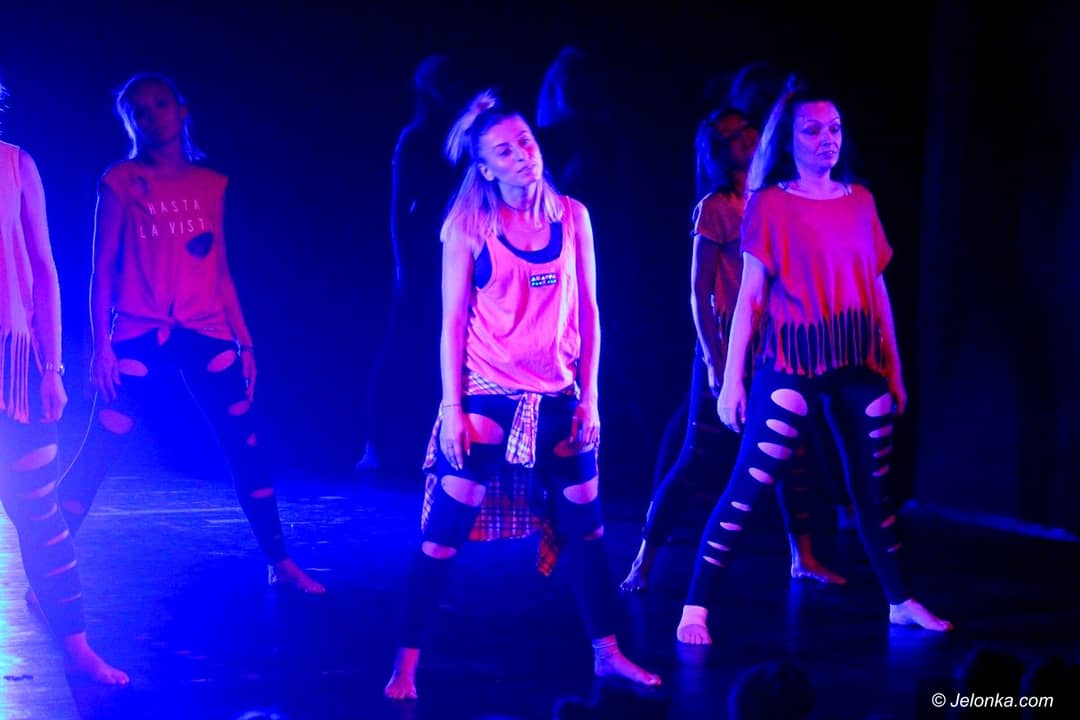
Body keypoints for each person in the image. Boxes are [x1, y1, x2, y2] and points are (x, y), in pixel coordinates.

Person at [384, 91, 660, 700]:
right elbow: (451, 323)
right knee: (443, 531)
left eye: (526, 143)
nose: (522, 155)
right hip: (488, 390)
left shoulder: (573, 217)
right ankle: (404, 665)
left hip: (559, 391)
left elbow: (590, 312)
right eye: (505, 151)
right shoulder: (469, 227)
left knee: (588, 529)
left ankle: (608, 654)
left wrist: (590, 398)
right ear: (485, 168)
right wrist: (452, 408)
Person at [676, 79, 952, 645]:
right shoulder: (770, 203)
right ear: (788, 139)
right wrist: (732, 381)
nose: (827, 139)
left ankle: (900, 601)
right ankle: (695, 607)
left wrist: (895, 369)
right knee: (749, 484)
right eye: (812, 129)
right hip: (792, 358)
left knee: (874, 494)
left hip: (856, 358)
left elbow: (878, 290)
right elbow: (750, 297)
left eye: (834, 129)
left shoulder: (860, 201)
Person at [56, 72, 323, 594]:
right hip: (140, 330)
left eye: (160, 104)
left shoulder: (209, 184)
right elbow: (101, 269)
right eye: (140, 110)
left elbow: (219, 268)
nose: (152, 116)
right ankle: (49, 573)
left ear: (181, 110)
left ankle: (280, 562)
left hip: (206, 330)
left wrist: (245, 339)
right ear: (130, 122)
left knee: (245, 444)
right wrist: (101, 347)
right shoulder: (121, 180)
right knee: (102, 445)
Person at [620, 108, 845, 593]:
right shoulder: (717, 207)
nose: (744, 138)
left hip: (775, 343)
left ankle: (803, 557)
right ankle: (644, 558)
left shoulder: (775, 200)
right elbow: (698, 292)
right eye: (731, 136)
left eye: (747, 130)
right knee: (698, 456)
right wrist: (716, 362)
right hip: (727, 343)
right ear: (718, 152)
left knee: (792, 449)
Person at [0, 79, 128, 683]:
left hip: (14, 365)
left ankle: (77, 647)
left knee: (40, 516)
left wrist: (52, 368)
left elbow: (45, 272)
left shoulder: (15, 164)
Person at [357, 54, 469, 475]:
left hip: (463, 248)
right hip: (425, 253)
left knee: (455, 346)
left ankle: (447, 441)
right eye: (442, 83)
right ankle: (376, 443)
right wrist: (404, 265)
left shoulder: (469, 137)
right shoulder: (416, 138)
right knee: (404, 345)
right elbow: (398, 208)